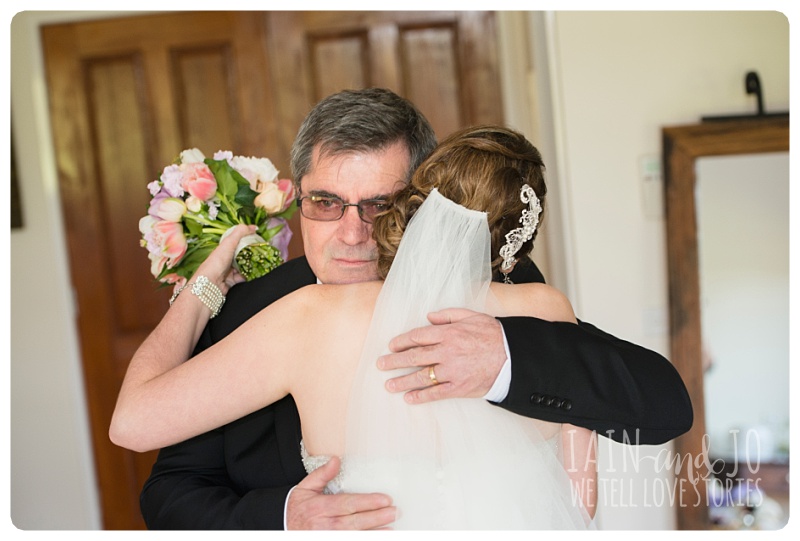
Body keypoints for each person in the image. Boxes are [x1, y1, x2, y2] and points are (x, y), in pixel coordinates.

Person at [137, 88, 691, 530]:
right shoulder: (252, 308)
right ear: (297, 197)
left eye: (379, 204)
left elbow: (661, 405)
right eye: (326, 202)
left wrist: (506, 359)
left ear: (422, 201)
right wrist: (278, 518)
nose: (352, 234)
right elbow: (170, 489)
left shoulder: (506, 285)